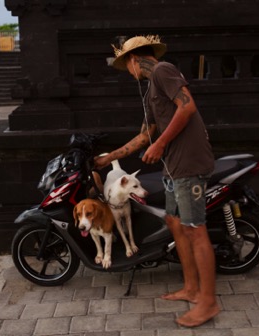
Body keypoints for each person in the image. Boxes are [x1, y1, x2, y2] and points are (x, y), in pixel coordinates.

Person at [94, 35, 220, 327]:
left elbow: (187, 107)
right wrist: (107, 157)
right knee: (176, 224)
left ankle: (209, 302)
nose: (129, 73)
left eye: (126, 66)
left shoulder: (163, 70)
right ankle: (190, 288)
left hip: (189, 164)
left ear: (134, 59)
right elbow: (144, 135)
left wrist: (160, 144)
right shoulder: (150, 89)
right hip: (172, 169)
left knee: (195, 230)